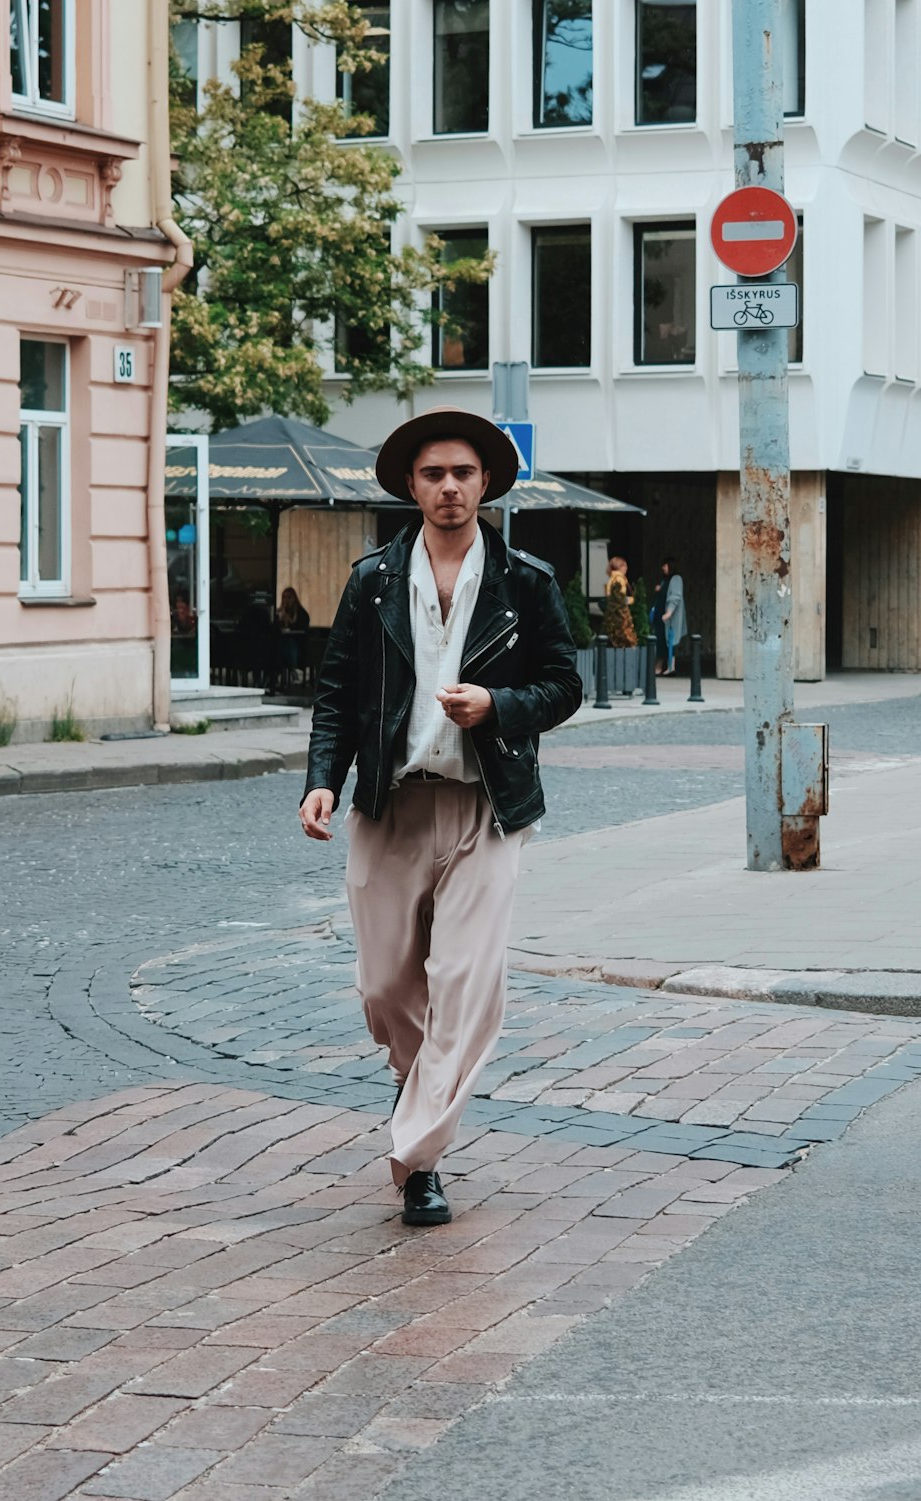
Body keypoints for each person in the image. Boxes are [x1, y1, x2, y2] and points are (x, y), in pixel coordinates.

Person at [299, 407, 582, 1227]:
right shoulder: (373, 579)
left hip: (485, 806)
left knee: (463, 984)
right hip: (390, 803)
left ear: (485, 481)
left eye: (463, 472)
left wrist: (498, 704)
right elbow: (337, 694)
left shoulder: (525, 580)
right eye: (433, 474)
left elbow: (566, 686)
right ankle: (414, 1092)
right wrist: (324, 778)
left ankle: (419, 1156)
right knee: (387, 985)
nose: (449, 487)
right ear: (412, 486)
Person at [654, 557, 687, 675]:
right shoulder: (665, 580)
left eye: (665, 565)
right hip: (661, 616)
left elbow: (675, 597)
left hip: (669, 617)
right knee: (663, 640)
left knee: (670, 640)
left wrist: (669, 612)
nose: (663, 568)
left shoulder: (676, 579)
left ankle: (670, 667)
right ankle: (665, 667)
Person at [276, 585, 310, 681]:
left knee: (290, 644)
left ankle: (292, 670)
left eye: (289, 597)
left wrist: (290, 622)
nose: (286, 600)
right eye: (284, 597)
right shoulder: (280, 612)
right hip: (283, 643)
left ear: (294, 598)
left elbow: (302, 630)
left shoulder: (302, 613)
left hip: (298, 645)